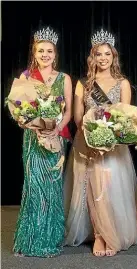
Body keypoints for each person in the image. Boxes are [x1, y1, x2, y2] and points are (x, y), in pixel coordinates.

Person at [64, 28, 137, 257]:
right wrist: (94, 131)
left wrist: (111, 135)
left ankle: (111, 229)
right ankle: (100, 235)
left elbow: (126, 116)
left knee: (110, 190)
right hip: (88, 142)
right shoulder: (83, 83)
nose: (103, 58)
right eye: (98, 54)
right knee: (91, 188)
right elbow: (77, 117)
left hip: (114, 145)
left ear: (114, 57)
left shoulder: (122, 83)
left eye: (107, 54)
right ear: (92, 57)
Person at [13, 26, 72, 257]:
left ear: (55, 55)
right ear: (34, 53)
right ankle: (29, 241)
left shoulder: (64, 78)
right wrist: (25, 122)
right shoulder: (26, 78)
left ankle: (49, 240)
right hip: (32, 139)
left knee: (52, 187)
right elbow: (20, 109)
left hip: (56, 138)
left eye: (49, 51)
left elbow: (67, 111)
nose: (45, 55)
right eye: (41, 51)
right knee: (34, 187)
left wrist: (56, 129)